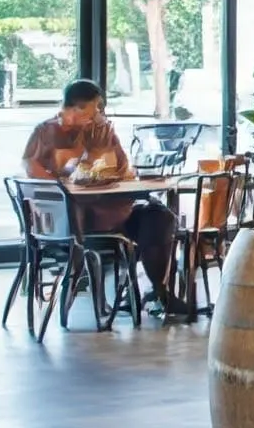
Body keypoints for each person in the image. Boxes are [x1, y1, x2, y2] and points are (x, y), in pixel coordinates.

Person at [23, 78, 185, 313]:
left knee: (160, 217)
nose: (99, 113)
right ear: (73, 108)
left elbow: (123, 167)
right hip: (76, 219)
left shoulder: (104, 132)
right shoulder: (46, 132)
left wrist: (108, 165)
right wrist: (62, 183)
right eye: (94, 108)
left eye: (100, 108)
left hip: (117, 212)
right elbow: (30, 167)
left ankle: (159, 290)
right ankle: (84, 280)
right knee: (78, 216)